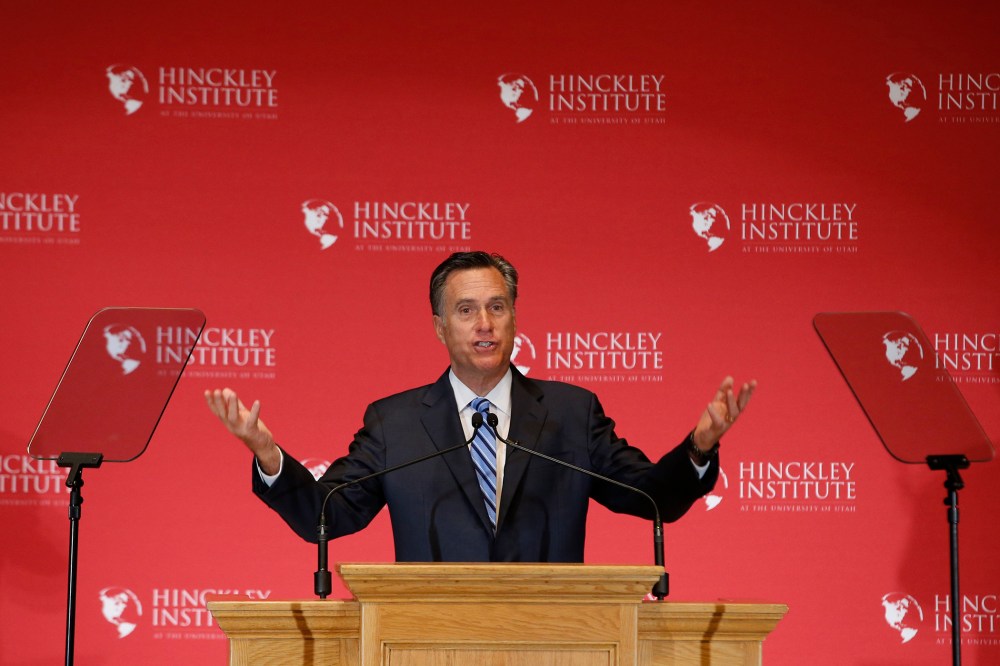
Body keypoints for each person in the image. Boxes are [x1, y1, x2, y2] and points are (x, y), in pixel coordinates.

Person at [205, 251, 755, 562]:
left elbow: (649, 499)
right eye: (466, 310)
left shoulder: (571, 413)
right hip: (427, 639)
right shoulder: (394, 423)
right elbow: (328, 516)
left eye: (497, 307)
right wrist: (269, 455)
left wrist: (699, 448)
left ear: (515, 318)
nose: (485, 324)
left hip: (553, 639)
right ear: (441, 327)